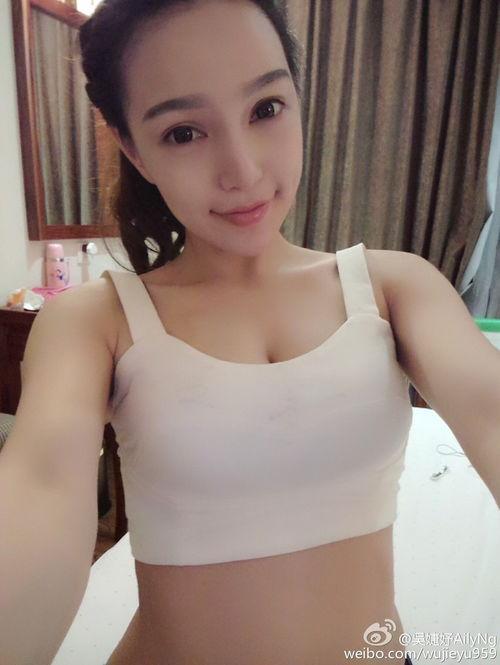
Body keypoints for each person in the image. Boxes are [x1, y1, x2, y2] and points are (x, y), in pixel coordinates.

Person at [0, 1, 415, 663]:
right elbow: (41, 487)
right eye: (184, 132)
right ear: (134, 150)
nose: (242, 170)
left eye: (266, 108)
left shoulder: (393, 286)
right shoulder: (94, 321)